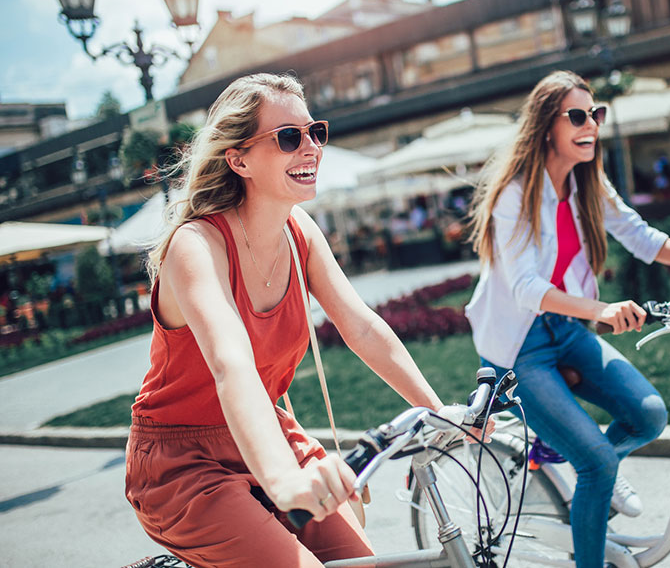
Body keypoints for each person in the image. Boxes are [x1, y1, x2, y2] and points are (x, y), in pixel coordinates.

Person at [125, 73, 456, 567]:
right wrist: (282, 481)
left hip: (270, 437)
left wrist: (439, 414)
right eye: (287, 137)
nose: (310, 148)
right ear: (238, 159)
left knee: (360, 562)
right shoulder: (195, 245)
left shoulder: (299, 230)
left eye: (314, 132)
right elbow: (230, 365)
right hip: (183, 461)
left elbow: (361, 326)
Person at [465, 70, 670, 568]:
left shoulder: (586, 181)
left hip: (566, 330)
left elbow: (639, 236)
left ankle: (596, 483)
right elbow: (526, 289)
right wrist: (602, 311)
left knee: (649, 414)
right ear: (547, 125)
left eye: (596, 114)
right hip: (518, 348)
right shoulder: (515, 194)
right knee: (594, 461)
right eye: (577, 115)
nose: (591, 123)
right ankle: (596, 487)